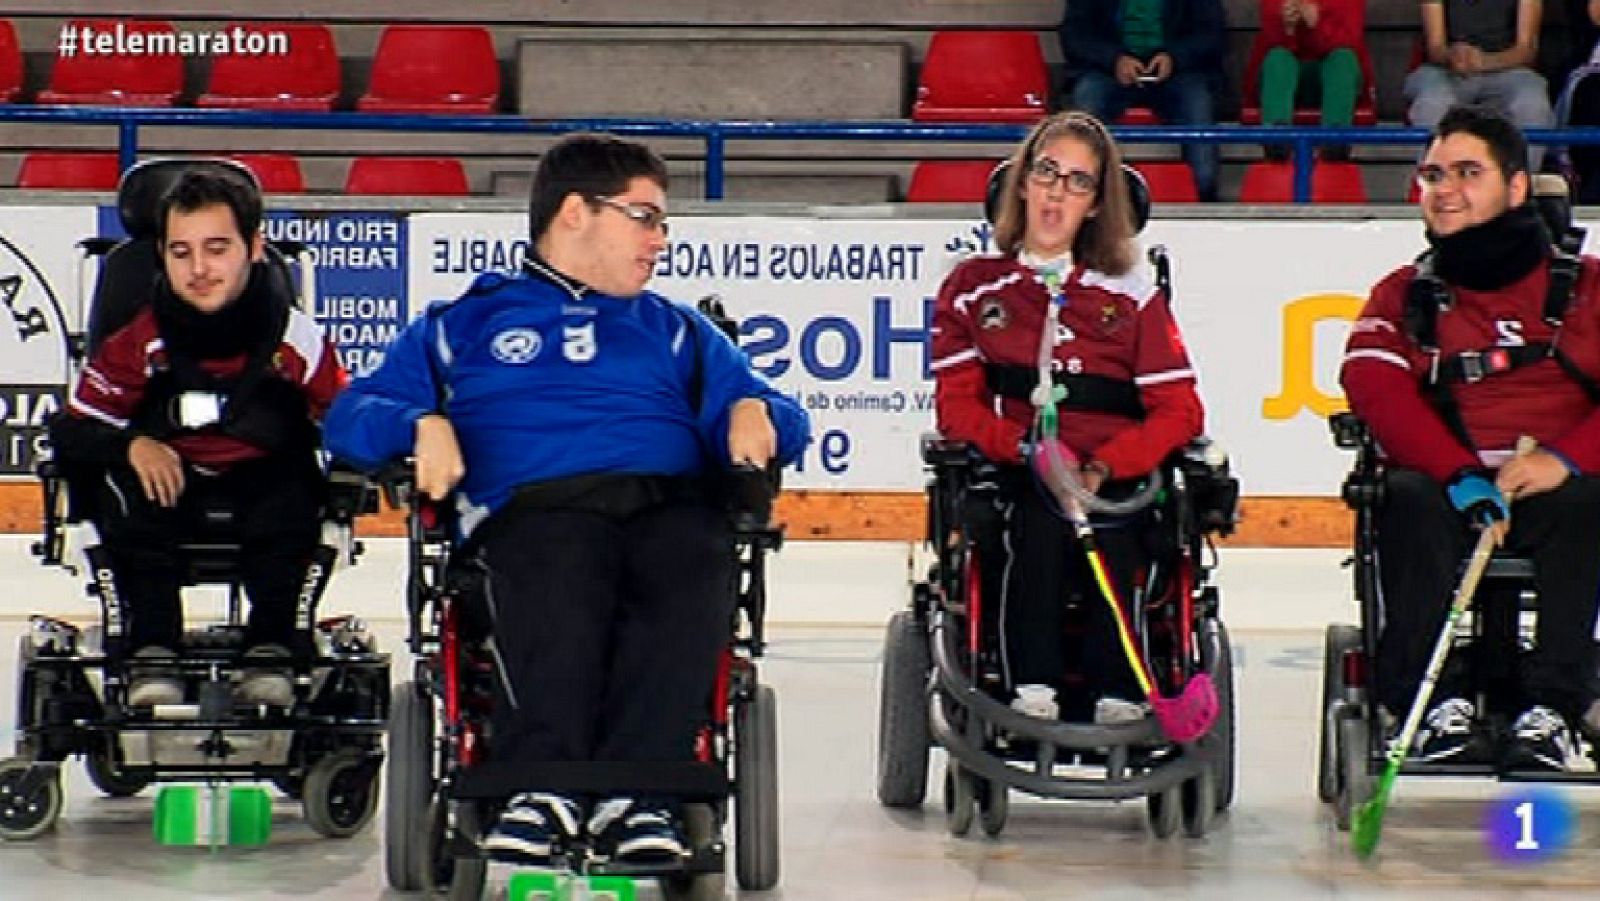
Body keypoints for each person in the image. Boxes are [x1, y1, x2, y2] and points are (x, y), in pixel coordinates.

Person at [322, 133, 809, 865]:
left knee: (694, 552)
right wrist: (418, 422)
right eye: (644, 217)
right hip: (531, 513)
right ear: (576, 212)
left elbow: (782, 416)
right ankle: (539, 786)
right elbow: (349, 418)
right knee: (560, 554)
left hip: (664, 505)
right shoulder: (460, 326)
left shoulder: (678, 332)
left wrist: (760, 413)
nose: (661, 240)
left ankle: (642, 795)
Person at [1341, 105, 1600, 772]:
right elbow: (1373, 385)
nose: (1443, 187)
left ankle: (1555, 708)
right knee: (1407, 495)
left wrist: (1565, 458)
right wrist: (1458, 473)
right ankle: (1433, 704)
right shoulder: (1405, 293)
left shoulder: (1587, 288)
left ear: (1516, 187)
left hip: (1557, 485)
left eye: (1466, 172)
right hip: (1450, 485)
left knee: (1584, 503)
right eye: (1432, 173)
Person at [929, 111, 1205, 725]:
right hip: (1020, 465)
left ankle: (1120, 685)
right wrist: (1024, 448)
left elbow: (1180, 410)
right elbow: (956, 406)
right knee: (1039, 515)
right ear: (1021, 182)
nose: (1057, 190)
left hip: (1114, 470)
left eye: (1078, 182)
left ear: (1096, 205)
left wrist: (1109, 464)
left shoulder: (1132, 295)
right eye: (1047, 171)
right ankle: (1032, 681)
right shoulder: (973, 287)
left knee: (1124, 524)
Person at [50, 167, 347, 709]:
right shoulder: (139, 337)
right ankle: (152, 646)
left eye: (217, 249)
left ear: (253, 248)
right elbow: (75, 426)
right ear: (161, 254)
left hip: (267, 479)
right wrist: (131, 445)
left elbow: (348, 414)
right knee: (131, 497)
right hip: (165, 483)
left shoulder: (294, 336)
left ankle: (274, 647)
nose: (200, 269)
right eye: (181, 252)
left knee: (295, 495)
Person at [1058, 0, 1226, 201]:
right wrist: (1114, 59)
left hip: (1181, 74)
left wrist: (1174, 57)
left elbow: (1212, 35)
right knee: (1088, 98)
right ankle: (1082, 193)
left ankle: (1204, 194)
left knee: (1198, 103)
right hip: (1107, 73)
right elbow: (1074, 35)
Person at [1405, 0, 1555, 171]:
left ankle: (1522, 185)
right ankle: (1435, 183)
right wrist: (1452, 56)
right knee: (1433, 101)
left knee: (1532, 102)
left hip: (1508, 69)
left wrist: (1482, 62)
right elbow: (1435, 47)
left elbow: (1526, 49)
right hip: (1445, 71)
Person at [1245, 0, 1372, 158]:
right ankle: (1277, 138)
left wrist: (1317, 25)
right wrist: (1288, 30)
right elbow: (1269, 41)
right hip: (1287, 79)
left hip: (1336, 76)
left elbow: (1349, 40)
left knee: (1343, 59)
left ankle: (1335, 139)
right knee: (1278, 58)